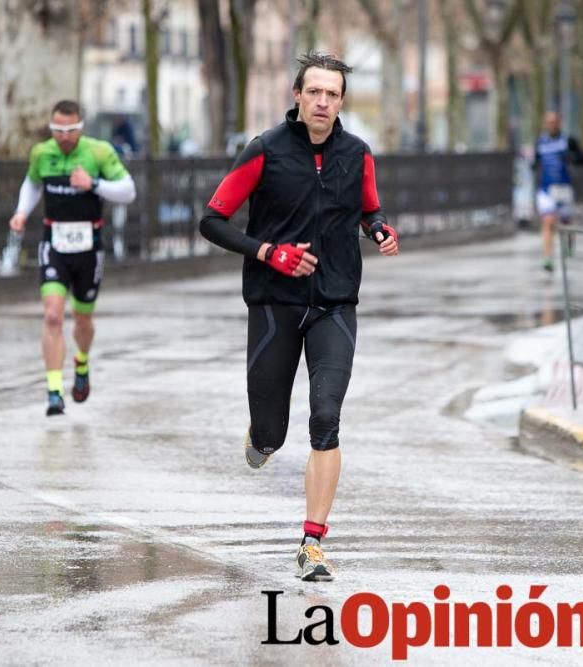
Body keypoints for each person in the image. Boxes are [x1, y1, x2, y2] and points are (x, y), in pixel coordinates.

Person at [199, 52, 399, 582]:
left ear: (341, 101)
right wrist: (268, 252)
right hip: (274, 302)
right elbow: (211, 220)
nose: (323, 102)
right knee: (272, 431)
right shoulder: (264, 151)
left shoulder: (357, 154)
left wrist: (378, 228)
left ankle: (313, 543)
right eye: (314, 92)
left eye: (332, 94)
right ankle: (261, 436)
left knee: (326, 417)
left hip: (334, 301)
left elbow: (368, 206)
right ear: (297, 95)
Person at [9, 100, 137, 416]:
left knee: (82, 319)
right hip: (54, 242)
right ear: (51, 128)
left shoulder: (99, 152)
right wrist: (21, 213)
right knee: (52, 315)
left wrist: (92, 184)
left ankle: (81, 360)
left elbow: (128, 190)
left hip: (89, 246)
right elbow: (33, 184)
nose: (64, 136)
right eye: (58, 130)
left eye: (70, 130)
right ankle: (54, 391)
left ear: (81, 126)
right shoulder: (42, 153)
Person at [534, 111, 583, 272]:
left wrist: (570, 157)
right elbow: (535, 163)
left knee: (565, 222)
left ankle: (569, 246)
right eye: (548, 123)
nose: (551, 125)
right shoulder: (540, 141)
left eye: (554, 122)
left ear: (559, 123)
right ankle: (548, 258)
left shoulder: (568, 140)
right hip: (546, 189)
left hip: (564, 188)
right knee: (548, 220)